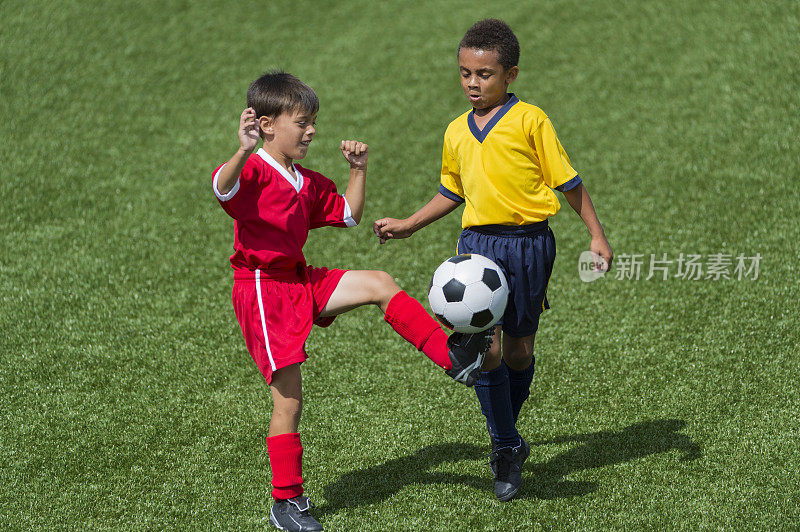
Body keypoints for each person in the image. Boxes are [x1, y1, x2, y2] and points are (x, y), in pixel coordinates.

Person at [212, 71, 492, 531]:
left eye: (313, 121)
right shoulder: (253, 170)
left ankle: (454, 359)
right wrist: (241, 149)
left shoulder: (302, 180)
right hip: (263, 292)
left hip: (298, 280)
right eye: (302, 121)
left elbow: (348, 214)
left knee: (379, 282)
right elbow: (222, 189)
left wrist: (358, 170)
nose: (312, 130)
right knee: (289, 403)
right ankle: (286, 502)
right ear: (266, 125)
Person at [373, 19, 613, 502]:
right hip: (477, 248)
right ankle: (505, 447)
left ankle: (508, 434)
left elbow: (568, 182)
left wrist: (596, 235)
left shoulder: (531, 121)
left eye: (483, 74)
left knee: (519, 351)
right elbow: (452, 191)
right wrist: (409, 224)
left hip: (528, 245)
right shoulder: (455, 132)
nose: (472, 84)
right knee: (486, 352)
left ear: (511, 75)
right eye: (465, 73)